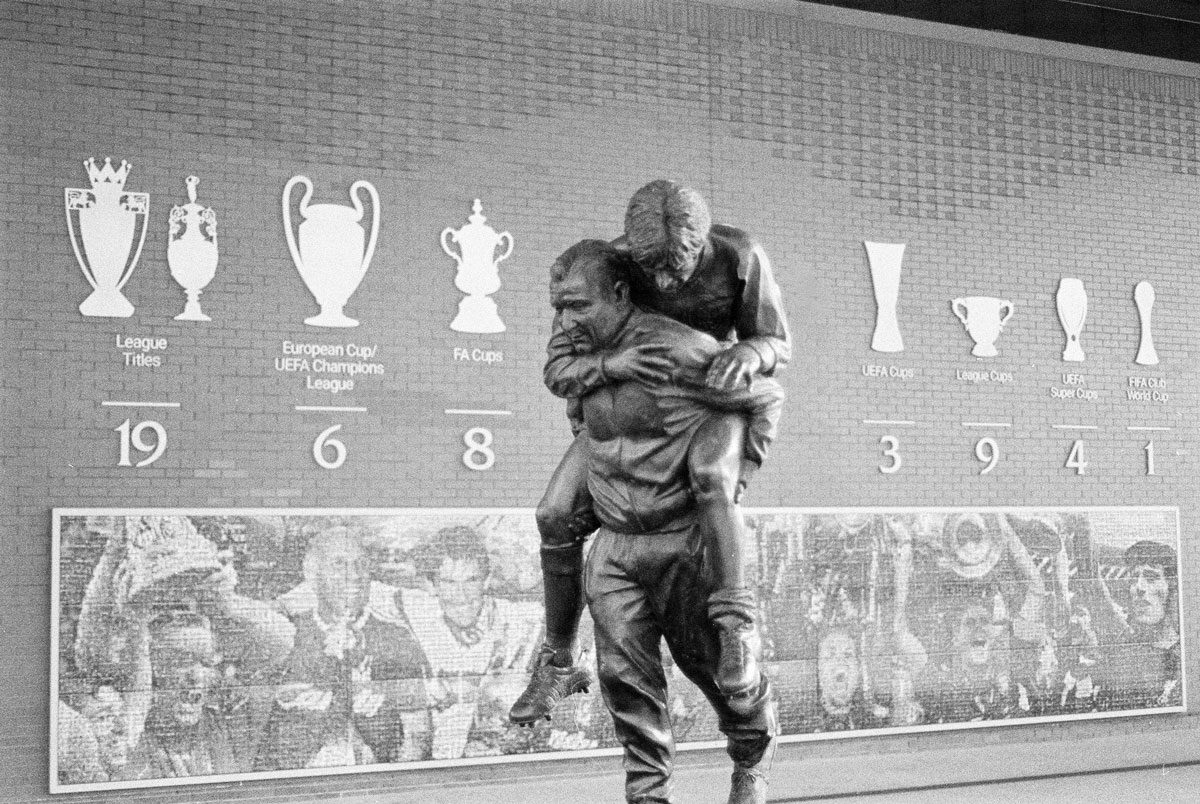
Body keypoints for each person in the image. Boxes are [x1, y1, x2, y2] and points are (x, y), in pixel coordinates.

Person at [512, 179, 791, 724]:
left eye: (676, 268)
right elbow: (562, 357)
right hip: (629, 403)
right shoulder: (604, 266)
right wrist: (606, 378)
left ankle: (736, 627)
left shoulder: (741, 255)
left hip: (711, 391)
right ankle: (557, 660)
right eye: (650, 270)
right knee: (553, 514)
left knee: (713, 479)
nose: (662, 281)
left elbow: (779, 344)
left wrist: (753, 353)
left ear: (702, 243)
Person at [542, 240, 782, 803]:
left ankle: (752, 750)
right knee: (626, 682)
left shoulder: (679, 345)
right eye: (560, 308)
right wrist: (602, 374)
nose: (564, 321)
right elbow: (556, 371)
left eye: (578, 306)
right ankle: (646, 793)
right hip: (618, 543)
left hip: (683, 538)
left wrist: (735, 471)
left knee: (716, 672)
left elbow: (766, 393)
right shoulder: (576, 340)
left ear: (620, 295)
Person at [257, 527, 428, 770]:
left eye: (361, 565)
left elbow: (418, 739)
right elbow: (259, 739)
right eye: (339, 564)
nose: (355, 575)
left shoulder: (397, 639)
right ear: (312, 576)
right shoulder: (285, 637)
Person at [400, 526, 542, 759]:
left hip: (495, 754)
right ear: (432, 585)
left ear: (486, 581)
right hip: (435, 759)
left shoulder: (519, 621)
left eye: (471, 580)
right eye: (449, 582)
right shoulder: (415, 613)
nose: (462, 595)